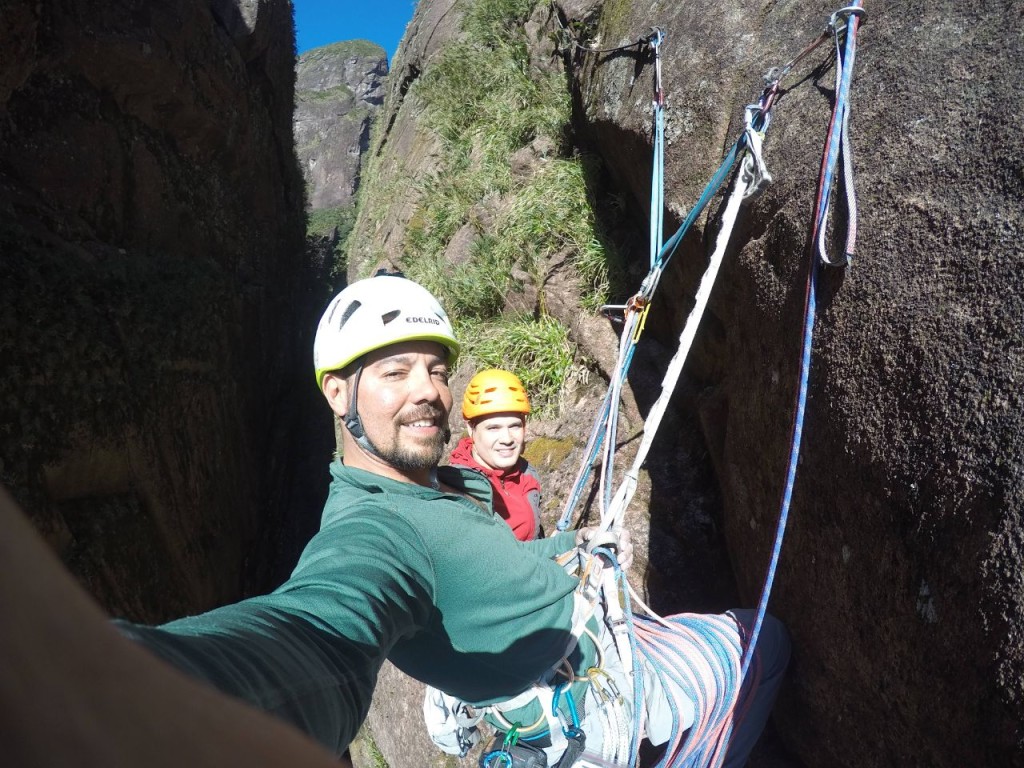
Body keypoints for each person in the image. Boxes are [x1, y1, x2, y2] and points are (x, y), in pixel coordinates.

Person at [0, 274, 789, 767]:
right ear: (337, 394)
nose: (429, 391)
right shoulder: (374, 533)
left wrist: (566, 547)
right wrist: (122, 690)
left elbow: (489, 563)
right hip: (583, 688)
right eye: (394, 371)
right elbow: (320, 629)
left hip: (570, 637)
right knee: (767, 642)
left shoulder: (442, 484)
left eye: (438, 370)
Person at [450, 368, 543, 541]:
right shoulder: (456, 488)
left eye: (514, 426)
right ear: (471, 429)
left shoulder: (527, 473)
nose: (507, 439)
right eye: (493, 428)